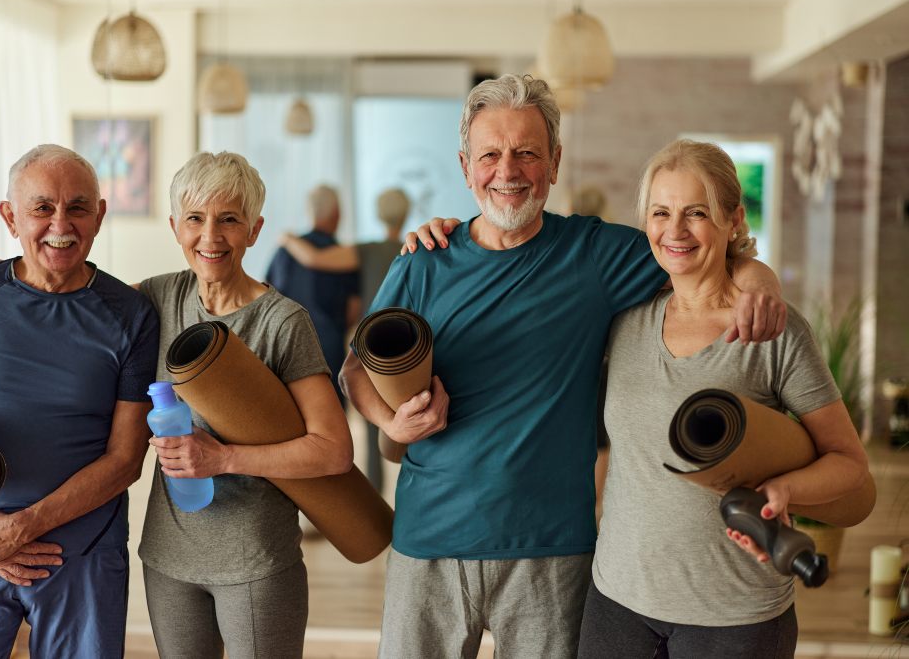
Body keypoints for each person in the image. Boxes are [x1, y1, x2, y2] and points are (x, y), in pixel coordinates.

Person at [340, 74, 786, 658]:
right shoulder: (425, 261)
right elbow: (355, 370)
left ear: (554, 162)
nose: (508, 170)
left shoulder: (596, 255)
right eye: (491, 155)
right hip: (428, 541)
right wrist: (389, 425)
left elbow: (703, 252)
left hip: (551, 550)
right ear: (465, 165)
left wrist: (761, 280)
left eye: (527, 152)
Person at [0, 152, 356, 659]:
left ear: (254, 230)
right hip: (169, 561)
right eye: (195, 219)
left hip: (254, 558)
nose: (211, 236)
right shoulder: (155, 300)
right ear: (174, 227)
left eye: (229, 219)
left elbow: (333, 451)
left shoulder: (283, 321)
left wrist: (224, 459)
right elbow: (70, 296)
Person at [575, 139, 869, 658]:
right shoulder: (624, 319)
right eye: (661, 212)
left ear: (734, 220)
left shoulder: (771, 328)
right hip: (617, 601)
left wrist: (784, 490)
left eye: (697, 213)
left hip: (735, 618)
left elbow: (849, 465)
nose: (675, 231)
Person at [0, 144, 160, 657]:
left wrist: (21, 528)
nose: (60, 224)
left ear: (100, 216)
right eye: (42, 207)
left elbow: (125, 459)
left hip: (84, 554)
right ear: (10, 216)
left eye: (78, 207)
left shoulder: (132, 314)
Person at [279, 187, 411, 490]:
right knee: (413, 421)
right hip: (410, 346)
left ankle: (375, 495)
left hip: (371, 349)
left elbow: (313, 258)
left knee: (371, 421)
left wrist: (286, 239)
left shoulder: (365, 251)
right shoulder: (416, 247)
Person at [266, 184, 359, 403]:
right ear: (337, 214)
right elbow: (353, 308)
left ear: (310, 212)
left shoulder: (284, 252)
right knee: (331, 414)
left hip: (286, 347)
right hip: (329, 349)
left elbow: (266, 294)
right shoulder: (343, 256)